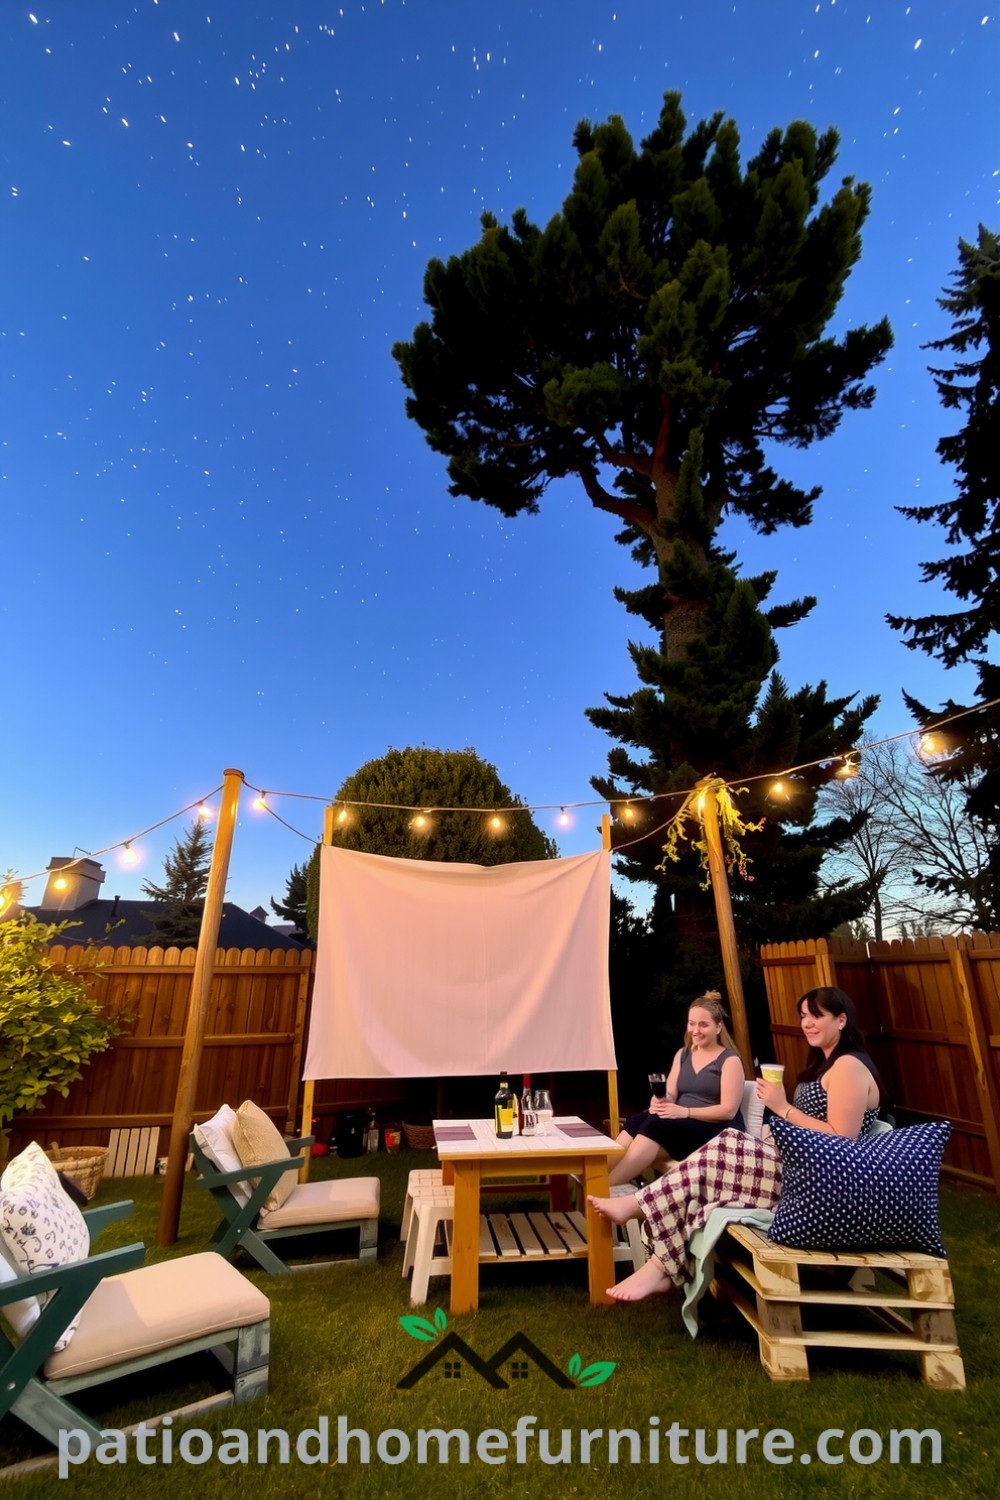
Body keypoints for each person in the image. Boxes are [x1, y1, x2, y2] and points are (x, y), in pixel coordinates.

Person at [589, 986, 883, 1302]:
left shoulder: (849, 1067)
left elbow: (842, 1140)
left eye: (816, 1016)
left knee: (728, 1142)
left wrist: (783, 1108)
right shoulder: (828, 1065)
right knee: (698, 1159)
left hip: (819, 1179)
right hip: (798, 1166)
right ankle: (659, 1263)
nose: (807, 1023)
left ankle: (641, 1209)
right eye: (803, 1016)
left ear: (841, 1020)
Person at [608, 991, 746, 1187]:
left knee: (654, 1125)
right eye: (692, 1024)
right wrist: (661, 1101)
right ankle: (595, 1177)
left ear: (718, 1027)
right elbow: (671, 1093)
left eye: (703, 1025)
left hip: (716, 1128)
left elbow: (728, 1111)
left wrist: (685, 1111)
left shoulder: (729, 1060)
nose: (695, 1030)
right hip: (682, 1124)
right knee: (636, 1120)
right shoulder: (683, 1055)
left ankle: (605, 1188)